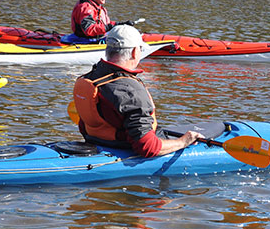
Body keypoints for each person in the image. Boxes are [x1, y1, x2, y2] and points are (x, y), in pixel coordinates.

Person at [73, 24, 202, 157]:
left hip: (99, 142)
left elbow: (85, 125)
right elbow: (148, 148)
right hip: (123, 149)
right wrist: (183, 141)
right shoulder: (131, 91)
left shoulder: (90, 78)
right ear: (135, 52)